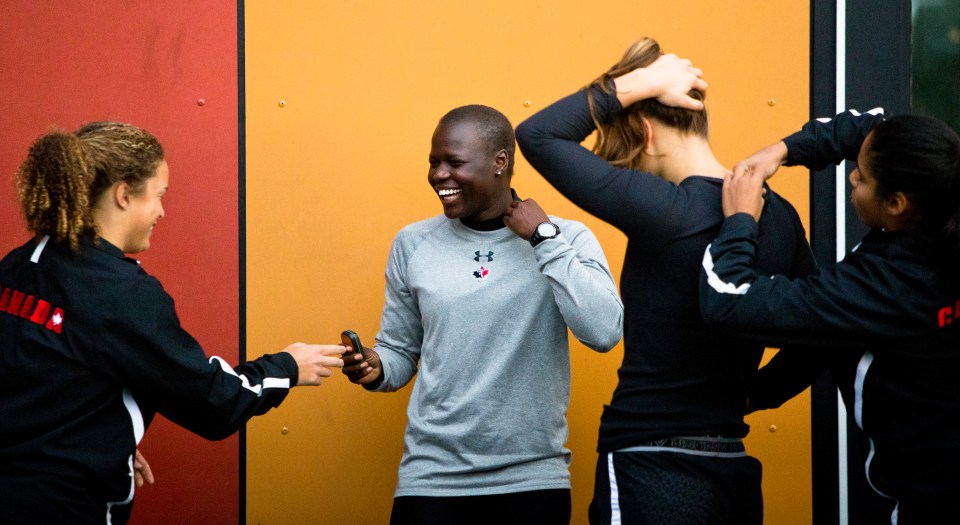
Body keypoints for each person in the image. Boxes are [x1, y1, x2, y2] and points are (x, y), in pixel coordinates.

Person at [515, 38, 818, 525]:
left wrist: (640, 84)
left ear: (644, 130)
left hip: (649, 466)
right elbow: (818, 337)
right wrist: (753, 395)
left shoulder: (667, 210)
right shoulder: (778, 215)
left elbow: (537, 135)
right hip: (730, 465)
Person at [0, 122, 347, 525]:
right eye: (159, 196)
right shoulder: (121, 294)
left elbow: (44, 374)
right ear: (124, 195)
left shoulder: (19, 265)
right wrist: (286, 367)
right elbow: (212, 402)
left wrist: (103, 437)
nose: (162, 211)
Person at [341, 104, 624, 525]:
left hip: (531, 480)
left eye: (454, 162)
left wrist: (544, 240)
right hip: (432, 480)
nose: (439, 175)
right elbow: (400, 351)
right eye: (434, 163)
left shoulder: (566, 238)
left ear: (500, 162)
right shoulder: (413, 243)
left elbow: (604, 331)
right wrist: (376, 366)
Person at [700, 110, 960, 525]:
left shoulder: (892, 284)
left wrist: (738, 221)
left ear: (897, 204)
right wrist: (780, 152)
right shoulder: (941, 194)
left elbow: (729, 301)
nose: (853, 177)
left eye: (864, 178)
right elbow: (871, 126)